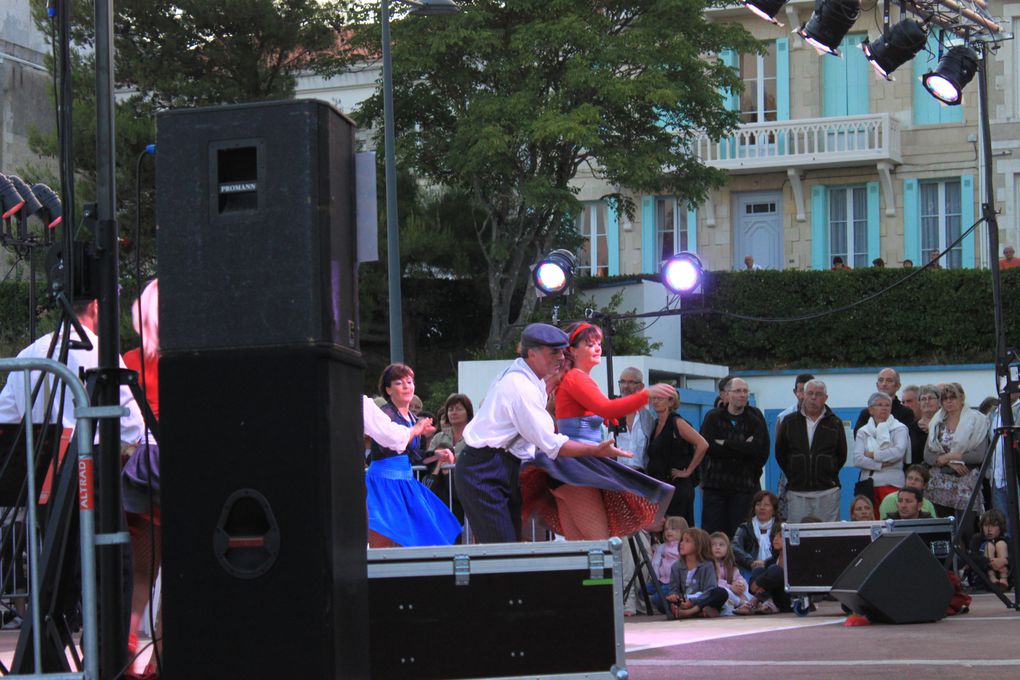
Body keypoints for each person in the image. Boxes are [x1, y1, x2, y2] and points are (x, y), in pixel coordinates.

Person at [454, 323, 626, 543]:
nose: (561, 358)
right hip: (484, 469)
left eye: (563, 352)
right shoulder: (520, 386)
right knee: (501, 551)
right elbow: (552, 443)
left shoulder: (524, 375)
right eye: (554, 352)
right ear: (532, 354)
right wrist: (595, 450)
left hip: (499, 466)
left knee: (507, 549)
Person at [522, 322, 675, 540]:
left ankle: (584, 576)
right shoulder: (577, 377)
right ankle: (601, 576)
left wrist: (602, 417)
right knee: (600, 546)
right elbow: (606, 407)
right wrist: (645, 395)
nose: (597, 348)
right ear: (573, 350)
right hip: (575, 469)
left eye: (599, 343)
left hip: (568, 469)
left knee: (581, 549)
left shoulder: (574, 378)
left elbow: (592, 411)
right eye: (589, 343)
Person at [365, 363, 461, 548]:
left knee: (426, 532)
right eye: (399, 383)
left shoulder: (413, 418)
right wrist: (414, 431)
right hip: (384, 482)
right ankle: (378, 576)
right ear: (388, 389)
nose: (406, 386)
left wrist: (436, 455)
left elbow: (415, 457)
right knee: (382, 540)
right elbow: (388, 445)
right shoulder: (385, 414)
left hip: (405, 481)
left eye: (409, 382)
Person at [698, 377, 769, 536]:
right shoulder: (713, 418)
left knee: (740, 536)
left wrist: (725, 443)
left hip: (743, 487)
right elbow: (709, 447)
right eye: (738, 391)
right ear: (727, 395)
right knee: (713, 535)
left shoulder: (754, 420)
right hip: (716, 487)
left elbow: (757, 450)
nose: (742, 395)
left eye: (745, 391)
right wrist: (742, 446)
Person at [775, 380, 846, 522]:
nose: (814, 398)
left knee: (828, 536)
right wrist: (794, 473)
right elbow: (780, 453)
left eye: (819, 394)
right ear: (803, 396)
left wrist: (828, 472)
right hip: (797, 491)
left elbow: (841, 454)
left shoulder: (835, 423)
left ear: (826, 398)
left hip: (827, 491)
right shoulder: (789, 422)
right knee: (798, 537)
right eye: (810, 393)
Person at [923, 382, 988, 523]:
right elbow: (928, 455)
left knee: (966, 528)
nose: (949, 401)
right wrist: (950, 462)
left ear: (962, 398)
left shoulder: (978, 421)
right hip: (939, 482)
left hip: (965, 480)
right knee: (942, 527)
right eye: (945, 398)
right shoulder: (937, 421)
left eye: (953, 397)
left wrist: (949, 456)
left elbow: (978, 455)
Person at [645, 384, 708, 527]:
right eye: (653, 398)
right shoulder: (655, 424)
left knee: (676, 529)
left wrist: (688, 471)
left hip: (677, 486)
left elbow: (702, 444)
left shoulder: (677, 422)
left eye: (660, 398)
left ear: (671, 401)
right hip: (661, 487)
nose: (655, 401)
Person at [853, 392, 908, 517]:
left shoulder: (899, 428)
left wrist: (873, 455)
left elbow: (898, 452)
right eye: (880, 405)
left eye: (887, 405)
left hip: (892, 485)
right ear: (871, 410)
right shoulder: (863, 431)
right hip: (868, 485)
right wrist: (881, 464)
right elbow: (858, 459)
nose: (884, 408)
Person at [665, 528, 728, 619]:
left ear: (699, 546)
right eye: (682, 540)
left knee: (721, 593)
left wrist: (693, 602)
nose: (681, 543)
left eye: (687, 541)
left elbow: (710, 589)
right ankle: (702, 612)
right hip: (684, 600)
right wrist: (674, 596)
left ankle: (690, 612)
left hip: (701, 599)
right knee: (660, 600)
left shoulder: (707, 565)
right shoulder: (676, 566)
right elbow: (674, 588)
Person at [774, 373, 814, 518]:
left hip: (818, 479)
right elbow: (779, 451)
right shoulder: (784, 417)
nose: (805, 395)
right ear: (795, 392)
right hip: (790, 477)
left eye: (809, 391)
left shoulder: (828, 417)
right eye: (801, 390)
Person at [735, 523, 786, 614]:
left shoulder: (794, 558)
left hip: (787, 597)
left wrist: (758, 583)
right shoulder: (771, 560)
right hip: (772, 596)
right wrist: (759, 583)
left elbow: (756, 587)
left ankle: (753, 602)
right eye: (774, 536)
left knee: (775, 570)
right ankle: (768, 603)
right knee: (759, 569)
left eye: (780, 536)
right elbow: (753, 588)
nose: (776, 539)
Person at [613, 367, 656, 471]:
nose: (626, 386)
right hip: (613, 474)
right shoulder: (610, 411)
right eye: (622, 382)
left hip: (639, 476)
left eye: (631, 382)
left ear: (641, 386)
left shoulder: (648, 418)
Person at [853, 368, 915, 435]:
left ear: (898, 386)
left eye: (889, 380)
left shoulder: (906, 413)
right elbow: (858, 437)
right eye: (881, 380)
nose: (884, 384)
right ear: (877, 385)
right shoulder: (866, 413)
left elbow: (906, 438)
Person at [732, 490, 779, 577]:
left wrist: (766, 563)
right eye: (758, 504)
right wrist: (750, 562)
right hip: (749, 569)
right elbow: (734, 547)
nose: (762, 508)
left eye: (766, 505)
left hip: (774, 569)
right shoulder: (745, 528)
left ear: (774, 510)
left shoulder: (780, 528)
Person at [647, 516, 688, 614]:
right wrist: (655, 577)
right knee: (643, 591)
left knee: (657, 597)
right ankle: (665, 602)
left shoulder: (682, 546)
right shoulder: (662, 547)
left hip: (673, 581)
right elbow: (656, 562)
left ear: (682, 531)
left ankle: (668, 606)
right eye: (666, 529)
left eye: (673, 529)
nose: (668, 531)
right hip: (661, 579)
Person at [710, 532, 751, 615]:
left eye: (721, 545)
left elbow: (738, 577)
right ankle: (744, 603)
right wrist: (731, 587)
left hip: (735, 593)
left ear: (728, 549)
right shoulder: (708, 565)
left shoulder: (730, 565)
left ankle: (747, 603)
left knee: (745, 584)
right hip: (723, 592)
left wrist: (740, 585)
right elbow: (714, 583)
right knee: (724, 591)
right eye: (713, 545)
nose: (717, 547)